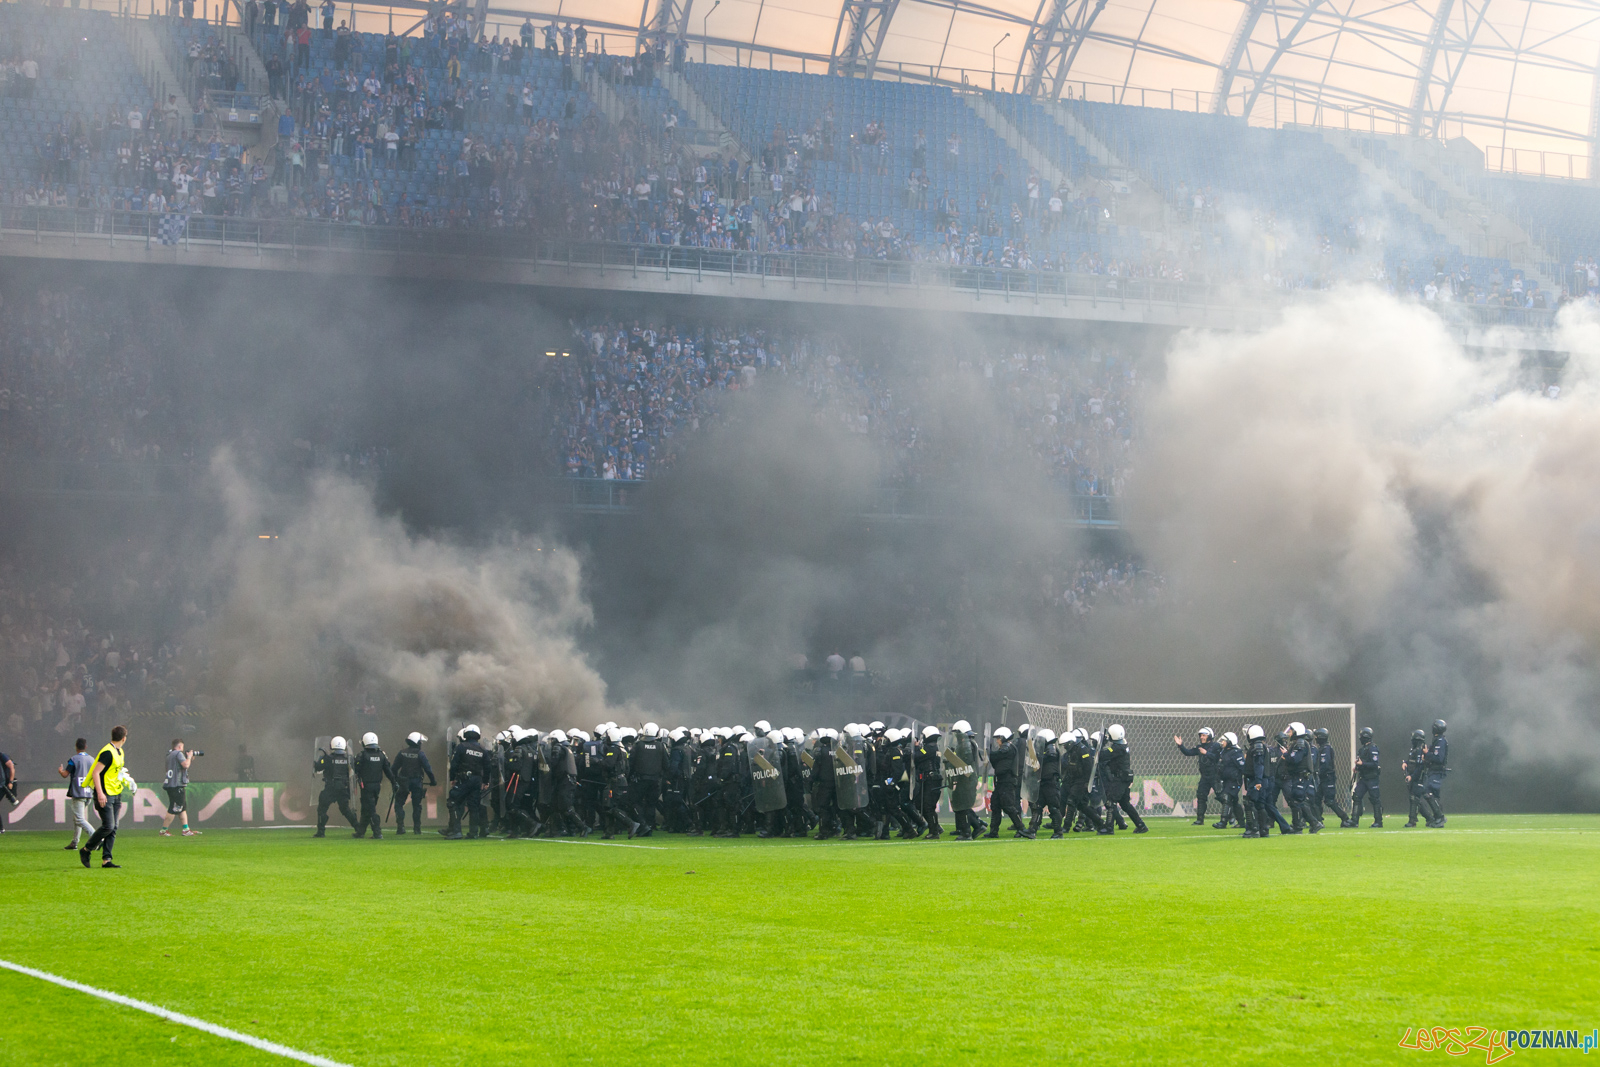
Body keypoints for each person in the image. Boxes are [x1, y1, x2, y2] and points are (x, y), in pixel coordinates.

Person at [79, 725, 129, 869]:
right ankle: (86, 849)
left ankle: (106, 859)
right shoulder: (108, 752)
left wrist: (127, 780)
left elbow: (115, 772)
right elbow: (96, 772)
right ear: (124, 738)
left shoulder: (119, 752)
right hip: (105, 793)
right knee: (108, 826)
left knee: (113, 828)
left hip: (115, 792)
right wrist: (100, 793)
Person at [1099, 724, 1148, 834]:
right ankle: (1141, 825)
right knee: (1125, 803)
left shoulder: (1117, 748)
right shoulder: (1123, 745)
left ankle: (1109, 828)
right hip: (1125, 778)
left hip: (1120, 778)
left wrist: (1101, 745)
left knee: (1110, 801)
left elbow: (1103, 755)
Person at [1244, 724, 1292, 838]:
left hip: (1259, 780)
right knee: (1265, 805)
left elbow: (1258, 765)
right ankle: (1269, 829)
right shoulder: (1263, 747)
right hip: (1266, 780)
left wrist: (1258, 781)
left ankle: (1254, 829)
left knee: (1254, 804)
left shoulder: (1257, 747)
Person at [985, 726, 1033, 838]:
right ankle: (993, 831)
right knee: (995, 805)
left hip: (1007, 782)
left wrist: (988, 752)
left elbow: (997, 755)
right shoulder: (1006, 749)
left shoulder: (1008, 748)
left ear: (1003, 737)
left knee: (1008, 806)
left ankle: (1021, 828)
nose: (997, 741)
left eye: (998, 738)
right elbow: (995, 760)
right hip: (1001, 781)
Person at [445, 724, 491, 839]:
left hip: (463, 779)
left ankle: (456, 831)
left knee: (453, 802)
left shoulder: (461, 747)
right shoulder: (482, 750)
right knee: (474, 806)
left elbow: (454, 764)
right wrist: (485, 782)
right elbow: (487, 767)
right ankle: (473, 833)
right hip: (477, 781)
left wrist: (452, 778)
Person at [391, 732, 437, 835]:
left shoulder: (402, 753)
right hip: (417, 782)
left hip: (403, 782)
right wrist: (433, 781)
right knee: (417, 806)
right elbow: (428, 769)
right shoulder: (420, 754)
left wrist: (395, 781)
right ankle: (417, 829)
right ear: (417, 742)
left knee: (399, 804)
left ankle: (400, 827)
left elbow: (393, 768)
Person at [1174, 727, 1222, 825]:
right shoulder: (1199, 747)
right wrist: (1180, 745)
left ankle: (1231, 817)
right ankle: (1200, 819)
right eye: (1200, 735)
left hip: (1215, 775)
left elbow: (1218, 758)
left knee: (1222, 796)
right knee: (1201, 796)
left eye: (1204, 735)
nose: (1201, 737)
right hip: (1205, 776)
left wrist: (1207, 753)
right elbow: (1188, 753)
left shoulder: (1216, 746)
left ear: (1210, 736)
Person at [313, 735, 358, 837]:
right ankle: (358, 828)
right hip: (343, 788)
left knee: (322, 809)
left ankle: (321, 831)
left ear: (331, 745)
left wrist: (320, 759)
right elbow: (352, 772)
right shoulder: (348, 759)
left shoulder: (328, 758)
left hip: (330, 788)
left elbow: (318, 767)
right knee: (345, 810)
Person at [628, 722, 667, 836]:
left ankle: (642, 825)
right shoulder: (660, 746)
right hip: (655, 781)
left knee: (635, 802)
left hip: (640, 780)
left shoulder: (638, 745)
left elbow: (631, 762)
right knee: (651, 804)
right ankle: (649, 826)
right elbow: (666, 764)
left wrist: (629, 776)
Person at [353, 732, 394, 839]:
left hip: (366, 786)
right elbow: (388, 771)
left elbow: (356, 770)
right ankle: (361, 832)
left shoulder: (362, 755)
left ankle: (377, 832)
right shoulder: (381, 755)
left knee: (370, 810)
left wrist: (354, 762)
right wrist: (394, 782)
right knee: (366, 809)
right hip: (377, 786)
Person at [58, 738, 96, 850]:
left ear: (76, 747)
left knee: (79, 819)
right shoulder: (92, 759)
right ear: (86, 746)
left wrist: (60, 771)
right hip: (89, 792)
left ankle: (96, 837)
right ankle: (74, 842)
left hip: (78, 793)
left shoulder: (73, 759)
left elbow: (65, 774)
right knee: (77, 818)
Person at [1312, 727, 1353, 828]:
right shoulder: (1322, 748)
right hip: (1323, 778)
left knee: (1329, 800)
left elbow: (1324, 764)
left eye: (1316, 736)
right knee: (1316, 799)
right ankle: (1318, 820)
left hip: (1327, 778)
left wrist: (1317, 772)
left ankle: (1345, 818)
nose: (1315, 738)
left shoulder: (1326, 748)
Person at [1028, 729, 1066, 838]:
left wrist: (1037, 756)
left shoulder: (1051, 750)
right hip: (1044, 783)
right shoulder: (1046, 750)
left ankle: (1058, 832)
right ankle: (1032, 830)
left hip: (1051, 783)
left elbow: (1048, 756)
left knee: (1054, 808)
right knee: (1037, 806)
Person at [161, 739, 200, 837]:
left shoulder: (169, 755)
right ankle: (163, 830)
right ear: (179, 747)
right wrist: (189, 757)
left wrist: (188, 758)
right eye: (182, 747)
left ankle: (186, 829)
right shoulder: (178, 753)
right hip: (176, 785)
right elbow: (186, 765)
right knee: (174, 808)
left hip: (170, 784)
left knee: (182, 808)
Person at [913, 725, 943, 839]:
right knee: (921, 804)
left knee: (928, 806)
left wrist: (916, 748)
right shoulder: (934, 747)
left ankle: (934, 831)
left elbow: (917, 756)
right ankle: (935, 827)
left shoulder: (929, 748)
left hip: (931, 781)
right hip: (930, 780)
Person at [1212, 732, 1245, 830]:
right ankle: (1242, 822)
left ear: (1230, 742)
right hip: (1226, 780)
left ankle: (1223, 822)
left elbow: (1242, 767)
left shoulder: (1236, 753)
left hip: (1234, 781)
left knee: (1227, 798)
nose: (1222, 742)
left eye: (1224, 741)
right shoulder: (1224, 752)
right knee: (1234, 802)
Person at [1351, 726, 1382, 827]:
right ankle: (1354, 821)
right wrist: (1357, 768)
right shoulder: (1362, 749)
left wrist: (1362, 764)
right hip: (1363, 778)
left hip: (1372, 778)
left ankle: (1378, 821)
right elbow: (1361, 763)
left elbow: (1374, 764)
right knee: (1356, 796)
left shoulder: (1373, 748)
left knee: (1375, 799)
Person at [1422, 719, 1448, 828]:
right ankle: (1437, 818)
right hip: (1434, 770)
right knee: (1433, 794)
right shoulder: (1437, 740)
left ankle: (1440, 817)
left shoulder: (1440, 741)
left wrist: (1427, 754)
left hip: (1436, 771)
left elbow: (1439, 758)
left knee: (1428, 792)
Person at [1402, 729, 1428, 827]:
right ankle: (1429, 818)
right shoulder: (1413, 750)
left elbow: (1420, 767)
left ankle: (1412, 821)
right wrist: (1405, 763)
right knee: (1416, 799)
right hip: (1413, 777)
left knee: (1414, 798)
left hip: (1418, 778)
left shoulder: (1420, 751)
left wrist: (1412, 777)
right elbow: (1411, 761)